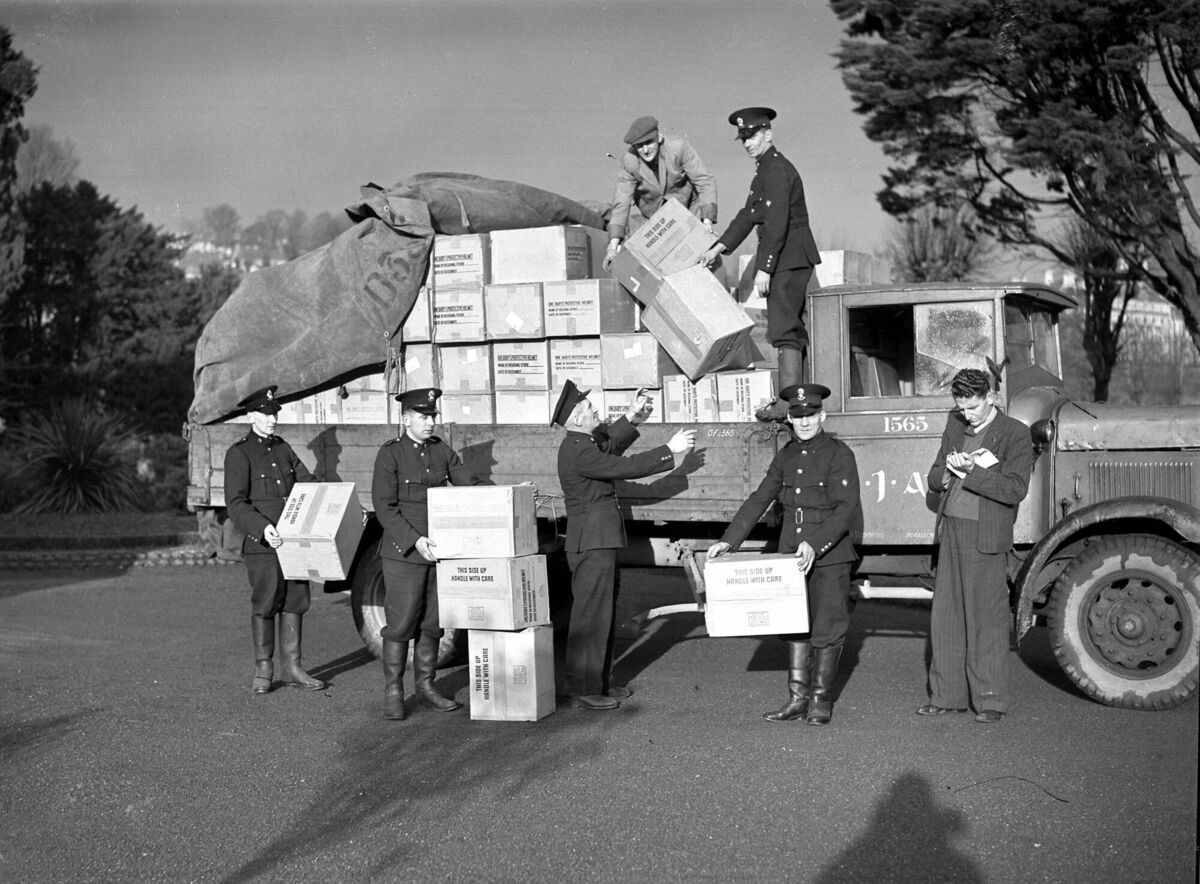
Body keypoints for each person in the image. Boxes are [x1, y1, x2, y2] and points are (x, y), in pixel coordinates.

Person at [707, 383, 861, 726]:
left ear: (822, 415)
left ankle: (820, 701)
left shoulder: (839, 454)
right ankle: (796, 699)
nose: (804, 422)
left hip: (830, 552)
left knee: (828, 625)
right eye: (797, 415)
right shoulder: (787, 455)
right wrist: (728, 541)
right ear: (789, 418)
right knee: (793, 622)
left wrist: (816, 543)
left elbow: (845, 509)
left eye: (810, 415)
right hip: (790, 552)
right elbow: (760, 498)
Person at [553, 380, 695, 710]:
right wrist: (669, 450)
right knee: (591, 617)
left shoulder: (583, 444)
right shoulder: (579, 451)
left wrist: (632, 416)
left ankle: (598, 682)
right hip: (591, 542)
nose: (595, 410)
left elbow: (609, 445)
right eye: (589, 409)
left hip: (596, 540)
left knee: (601, 614)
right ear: (576, 419)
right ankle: (584, 687)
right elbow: (623, 466)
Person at [919, 368, 1033, 724]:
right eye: (961, 407)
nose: (966, 415)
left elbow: (1015, 488)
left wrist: (972, 472)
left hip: (985, 534)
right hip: (951, 530)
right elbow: (934, 477)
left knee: (986, 620)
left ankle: (990, 702)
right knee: (946, 617)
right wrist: (949, 470)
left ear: (991, 399)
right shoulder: (955, 425)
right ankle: (946, 696)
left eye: (973, 407)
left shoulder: (1015, 433)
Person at [371, 387, 486, 721]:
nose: (430, 422)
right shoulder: (390, 454)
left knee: (433, 623)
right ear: (405, 419)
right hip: (404, 552)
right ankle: (394, 692)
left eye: (433, 416)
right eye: (423, 417)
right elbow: (385, 507)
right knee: (400, 623)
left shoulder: (440, 451)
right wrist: (415, 539)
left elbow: (467, 482)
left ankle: (426, 687)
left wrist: (505, 496)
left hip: (439, 550)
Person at [698, 107, 821, 421]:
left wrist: (764, 268)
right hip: (787, 256)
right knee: (785, 328)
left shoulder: (777, 170)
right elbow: (750, 214)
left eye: (752, 135)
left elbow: (776, 221)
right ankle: (797, 400)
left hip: (789, 258)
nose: (748, 143)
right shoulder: (765, 170)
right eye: (743, 138)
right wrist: (719, 247)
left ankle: (790, 404)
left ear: (769, 133)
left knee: (784, 329)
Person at [223, 385, 327, 695]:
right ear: (251, 415)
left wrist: (336, 503)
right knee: (266, 601)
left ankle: (293, 667)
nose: (273, 419)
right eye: (267, 414)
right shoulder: (240, 453)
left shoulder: (283, 448)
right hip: (263, 543)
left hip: (294, 540)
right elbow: (236, 503)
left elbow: (306, 483)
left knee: (296, 599)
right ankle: (264, 669)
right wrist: (262, 527)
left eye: (275, 413)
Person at [602, 114, 718, 272]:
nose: (645, 149)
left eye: (649, 142)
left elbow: (704, 181)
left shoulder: (679, 147)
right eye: (639, 146)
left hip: (688, 208)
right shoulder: (629, 162)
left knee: (702, 255)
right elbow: (621, 203)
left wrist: (707, 224)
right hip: (654, 218)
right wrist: (613, 246)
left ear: (659, 137)